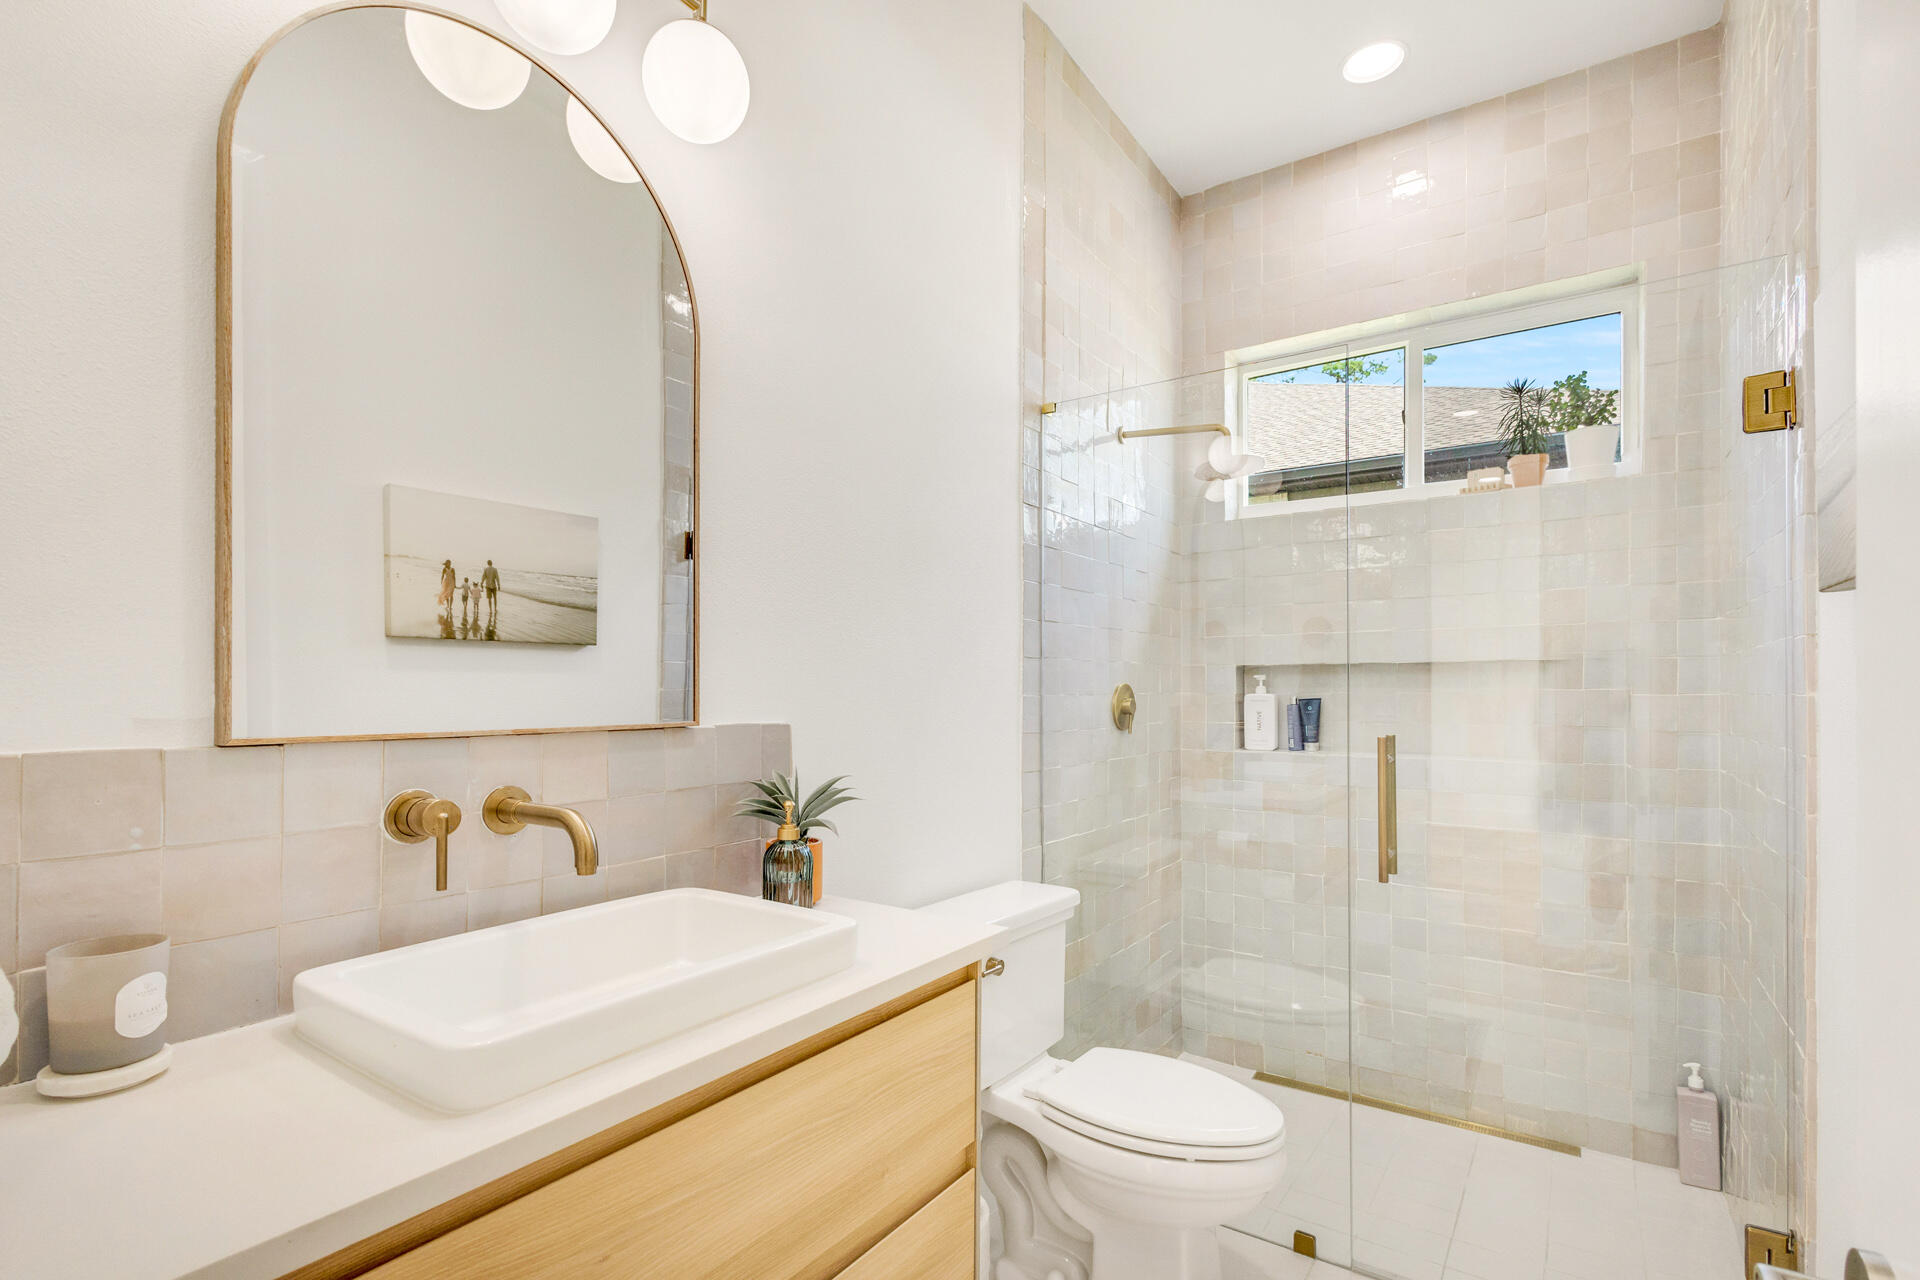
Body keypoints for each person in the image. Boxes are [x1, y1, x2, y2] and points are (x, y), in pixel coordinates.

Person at [482, 559, 500, 626]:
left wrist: (481, 583)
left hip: (488, 586)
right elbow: (497, 578)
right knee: (495, 598)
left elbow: (483, 577)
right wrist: (499, 585)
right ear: (492, 563)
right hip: (494, 585)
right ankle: (495, 609)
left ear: (487, 563)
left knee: (489, 598)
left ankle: (490, 610)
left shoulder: (486, 569)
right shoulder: (495, 569)